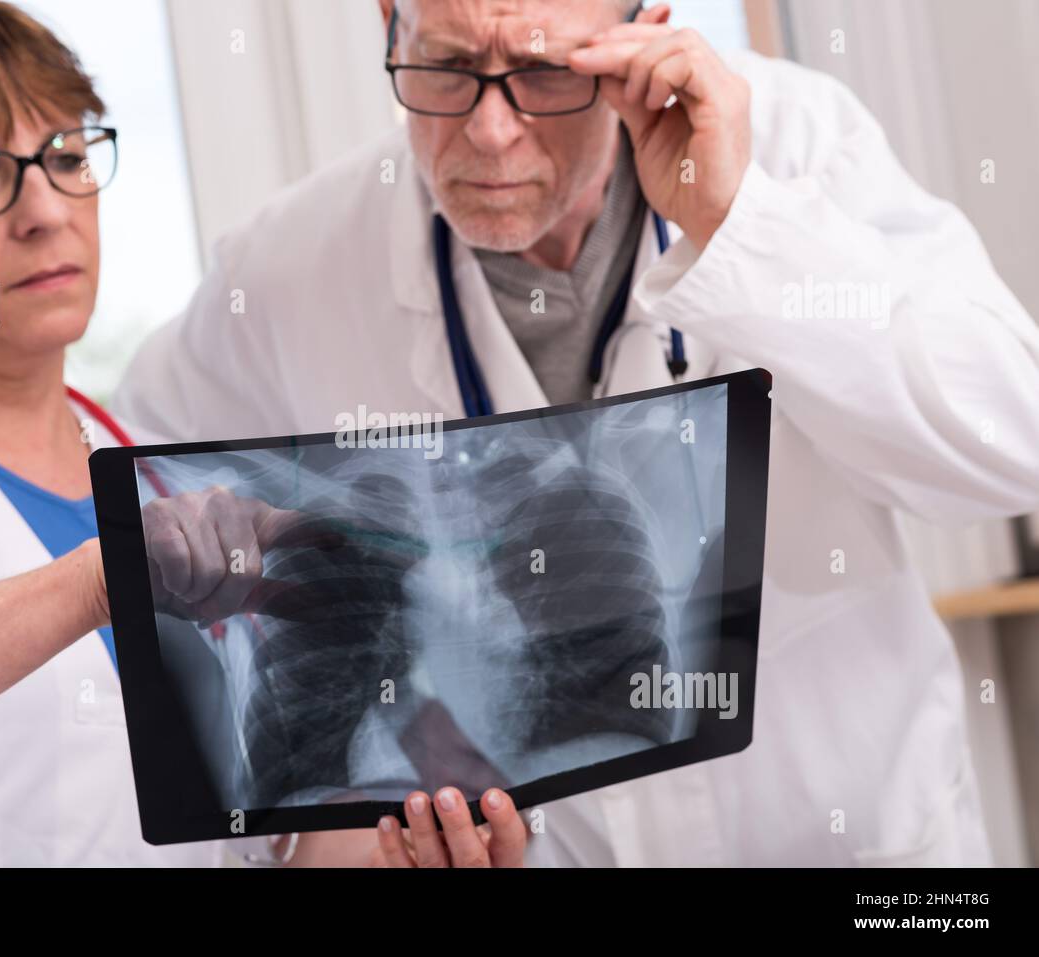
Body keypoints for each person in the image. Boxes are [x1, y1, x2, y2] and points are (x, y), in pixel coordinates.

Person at [114, 0, 1039, 865]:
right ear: (386, 18)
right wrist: (306, 824)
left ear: (641, 33)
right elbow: (126, 512)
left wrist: (736, 223)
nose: (489, 130)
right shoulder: (294, 261)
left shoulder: (798, 143)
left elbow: (1013, 445)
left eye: (545, 68)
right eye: (444, 66)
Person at [0, 0, 523, 869]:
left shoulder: (167, 475)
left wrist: (413, 848)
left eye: (68, 156)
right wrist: (94, 582)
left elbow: (257, 845)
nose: (44, 209)